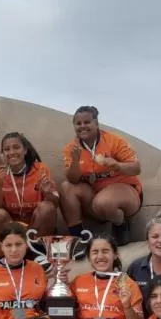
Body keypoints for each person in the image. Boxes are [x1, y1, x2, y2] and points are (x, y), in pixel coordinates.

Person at [59, 105, 142, 255]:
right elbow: (72, 179)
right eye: (78, 124)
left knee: (103, 202)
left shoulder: (113, 141)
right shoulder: (72, 148)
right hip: (95, 196)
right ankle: (79, 239)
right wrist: (75, 163)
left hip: (124, 191)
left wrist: (117, 165)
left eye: (87, 122)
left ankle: (121, 224)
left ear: (96, 124)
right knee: (66, 187)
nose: (83, 126)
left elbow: (136, 168)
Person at [0, 132, 60, 256]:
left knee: (47, 207)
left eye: (16, 147)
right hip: (11, 224)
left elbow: (54, 205)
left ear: (25, 150)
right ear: (3, 153)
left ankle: (36, 254)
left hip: (35, 224)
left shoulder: (40, 169)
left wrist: (48, 193)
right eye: (7, 149)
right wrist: (0, 185)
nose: (11, 152)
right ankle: (0, 257)